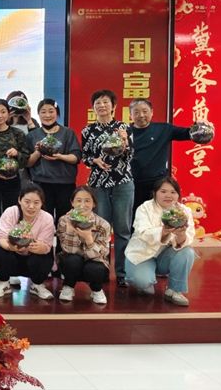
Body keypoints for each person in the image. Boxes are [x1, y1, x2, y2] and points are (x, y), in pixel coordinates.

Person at [81, 89, 134, 286]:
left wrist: (124, 140)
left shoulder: (123, 127)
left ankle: (122, 274)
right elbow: (84, 156)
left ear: (114, 106)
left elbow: (130, 156)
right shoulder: (87, 131)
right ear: (93, 107)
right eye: (98, 103)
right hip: (98, 184)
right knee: (100, 229)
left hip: (122, 182)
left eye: (105, 102)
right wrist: (94, 160)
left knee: (122, 229)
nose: (102, 106)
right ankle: (101, 270)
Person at [125, 176, 195, 306]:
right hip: (142, 255)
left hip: (165, 257)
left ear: (178, 195)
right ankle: (145, 280)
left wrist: (181, 234)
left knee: (188, 252)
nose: (168, 195)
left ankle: (174, 290)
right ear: (154, 193)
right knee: (143, 283)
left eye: (173, 192)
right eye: (163, 191)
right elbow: (143, 233)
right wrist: (163, 232)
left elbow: (188, 239)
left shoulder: (184, 211)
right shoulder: (145, 208)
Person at [26, 99, 81, 247]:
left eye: (51, 111)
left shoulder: (68, 133)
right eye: (43, 112)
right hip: (41, 185)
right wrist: (38, 151)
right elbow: (27, 163)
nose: (47, 115)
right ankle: (44, 254)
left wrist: (60, 156)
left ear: (57, 113)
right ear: (38, 114)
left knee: (65, 222)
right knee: (43, 223)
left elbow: (76, 157)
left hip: (65, 184)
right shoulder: (32, 135)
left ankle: (63, 255)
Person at [129, 98, 192, 214]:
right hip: (133, 184)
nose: (141, 115)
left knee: (161, 216)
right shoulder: (125, 133)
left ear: (152, 112)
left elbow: (189, 133)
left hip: (159, 184)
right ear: (130, 115)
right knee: (136, 216)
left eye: (145, 111)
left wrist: (201, 126)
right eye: (136, 112)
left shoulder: (164, 129)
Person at [0, 184, 55, 300]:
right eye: (27, 201)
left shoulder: (47, 218)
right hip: (12, 255)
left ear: (42, 203)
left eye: (36, 203)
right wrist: (11, 247)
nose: (31, 206)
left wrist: (38, 247)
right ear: (19, 200)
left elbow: (46, 246)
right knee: (0, 253)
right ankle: (4, 283)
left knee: (45, 257)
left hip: (32, 257)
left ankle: (37, 285)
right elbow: (2, 238)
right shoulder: (11, 212)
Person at [0, 98, 30, 249]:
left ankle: (13, 247)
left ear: (9, 113)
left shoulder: (17, 133)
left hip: (13, 181)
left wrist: (17, 154)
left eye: (3, 111)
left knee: (13, 215)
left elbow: (26, 159)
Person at [56, 186, 111, 304]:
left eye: (87, 201)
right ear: (72, 203)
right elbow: (68, 251)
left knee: (96, 268)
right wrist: (70, 231)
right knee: (71, 261)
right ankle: (68, 286)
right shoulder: (64, 220)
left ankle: (96, 289)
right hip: (73, 260)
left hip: (93, 261)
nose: (82, 205)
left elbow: (100, 256)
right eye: (78, 200)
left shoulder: (103, 224)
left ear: (94, 204)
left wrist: (89, 239)